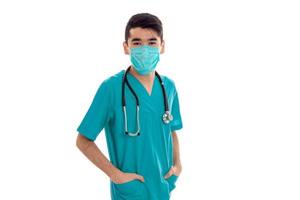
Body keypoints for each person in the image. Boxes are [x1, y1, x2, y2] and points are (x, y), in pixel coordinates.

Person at [76, 13, 183, 200]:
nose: (145, 48)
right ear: (126, 47)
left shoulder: (169, 88)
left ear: (162, 46)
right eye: (136, 43)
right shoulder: (111, 88)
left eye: (151, 42)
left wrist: (178, 165)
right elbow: (83, 140)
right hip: (130, 192)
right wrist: (115, 175)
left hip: (163, 188)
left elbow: (171, 130)